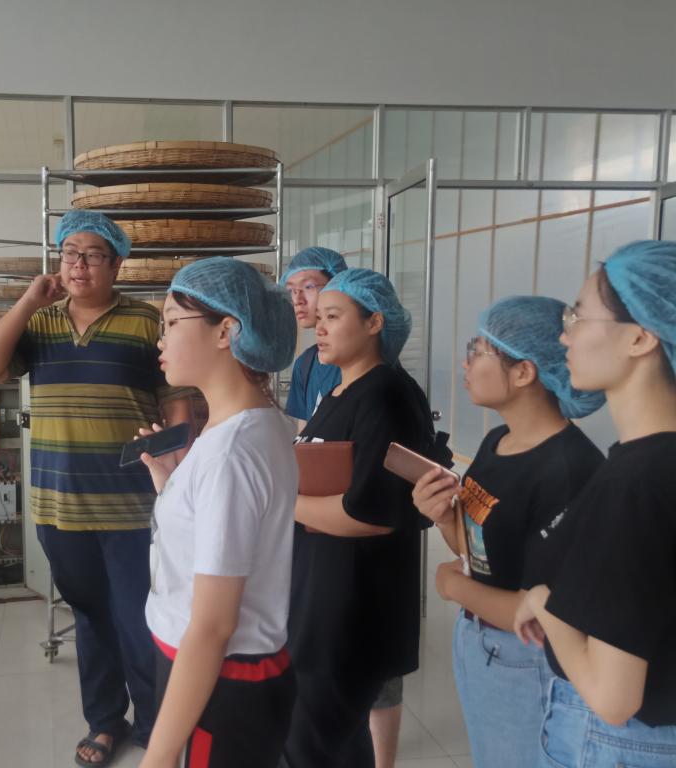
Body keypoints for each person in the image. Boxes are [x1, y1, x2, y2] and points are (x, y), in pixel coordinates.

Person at [0, 210, 194, 767]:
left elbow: (176, 400)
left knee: (140, 617)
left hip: (131, 503)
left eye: (93, 255)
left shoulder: (144, 321)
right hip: (58, 503)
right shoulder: (39, 324)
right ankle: (106, 721)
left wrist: (179, 466)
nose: (78, 264)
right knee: (90, 617)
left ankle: (157, 724)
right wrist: (27, 302)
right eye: (69, 253)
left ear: (117, 265)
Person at [411, 295, 605, 768]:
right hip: (480, 640)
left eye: (478, 351)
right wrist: (443, 517)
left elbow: (542, 612)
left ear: (523, 372)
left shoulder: (569, 470)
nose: (465, 363)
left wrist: (453, 586)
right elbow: (479, 552)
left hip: (526, 657)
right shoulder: (498, 441)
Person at [514, 241, 676, 767]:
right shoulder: (648, 462)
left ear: (640, 337)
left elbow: (613, 697)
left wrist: (544, 603)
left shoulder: (636, 482)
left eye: (577, 316)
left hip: (622, 744)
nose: (564, 335)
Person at [138, 257, 298, 768]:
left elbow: (211, 625)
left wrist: (159, 755)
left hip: (218, 678)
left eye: (171, 322)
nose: (160, 340)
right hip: (213, 670)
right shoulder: (247, 425)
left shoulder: (232, 452)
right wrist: (172, 484)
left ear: (226, 331)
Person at [283, 268, 433, 768]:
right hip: (322, 591)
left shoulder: (386, 395)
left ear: (374, 323)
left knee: (310, 745)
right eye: (319, 317)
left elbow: (372, 512)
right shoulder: (340, 393)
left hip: (355, 605)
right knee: (333, 745)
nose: (319, 327)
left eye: (333, 316)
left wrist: (281, 501)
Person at [280, 247, 348, 429]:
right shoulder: (305, 364)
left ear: (337, 284)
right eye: (291, 290)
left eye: (308, 286)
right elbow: (304, 436)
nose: (298, 300)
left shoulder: (361, 363)